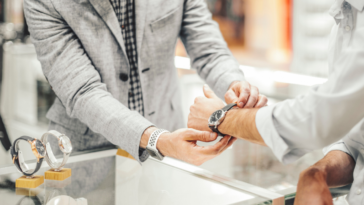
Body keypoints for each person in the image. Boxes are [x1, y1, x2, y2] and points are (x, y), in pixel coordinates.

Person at [23, 0, 267, 165]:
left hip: (169, 142)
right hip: (86, 155)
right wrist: (156, 140)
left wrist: (234, 82)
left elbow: (209, 50)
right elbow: (82, 91)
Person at [188, 0, 364, 202]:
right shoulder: (344, 18)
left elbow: (318, 118)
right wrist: (316, 173)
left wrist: (221, 118)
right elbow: (354, 138)